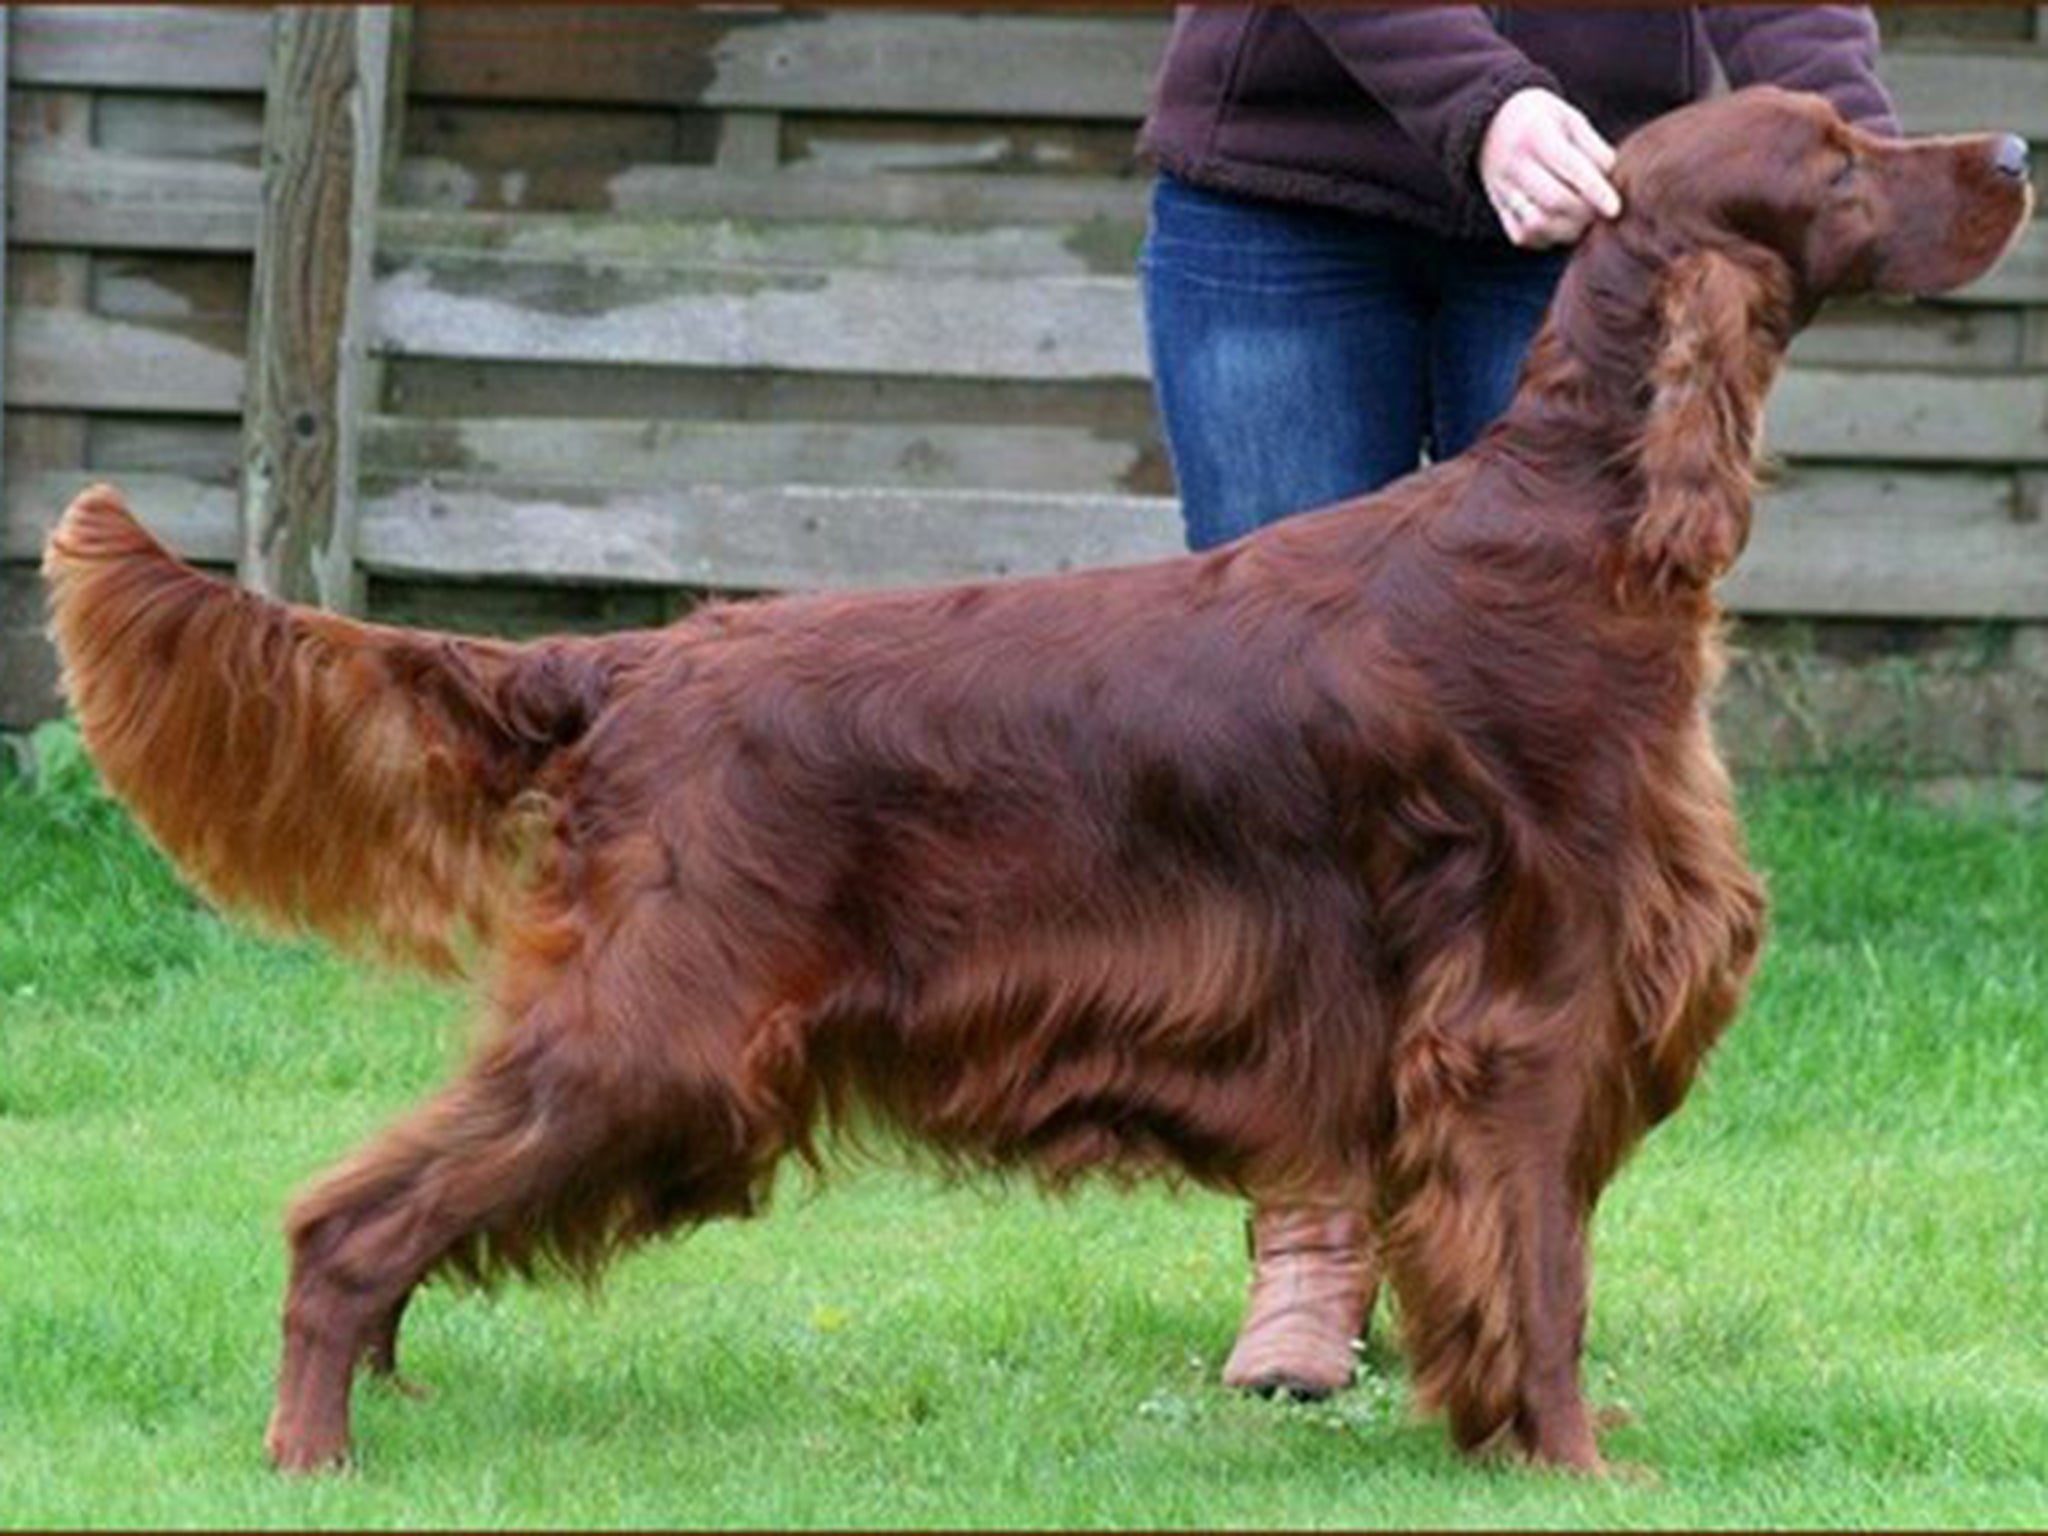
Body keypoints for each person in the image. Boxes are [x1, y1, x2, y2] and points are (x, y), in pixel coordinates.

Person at [1135, 7, 1898, 1400]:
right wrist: (1481, 102)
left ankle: (1511, 1279)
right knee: (1298, 778)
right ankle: (1309, 1239)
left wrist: (1858, 158)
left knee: (1541, 840)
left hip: (1589, 213)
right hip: (1287, 195)